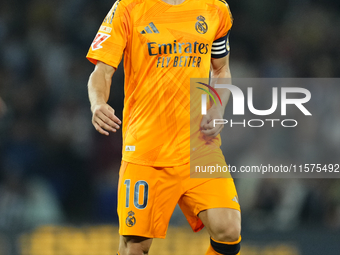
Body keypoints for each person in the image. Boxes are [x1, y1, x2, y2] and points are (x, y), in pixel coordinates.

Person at [86, 0, 241, 254]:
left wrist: (217, 106)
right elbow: (101, 71)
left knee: (229, 229)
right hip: (147, 149)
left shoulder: (215, 8)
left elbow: (222, 69)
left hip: (198, 146)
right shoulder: (128, 7)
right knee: (135, 246)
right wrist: (97, 103)